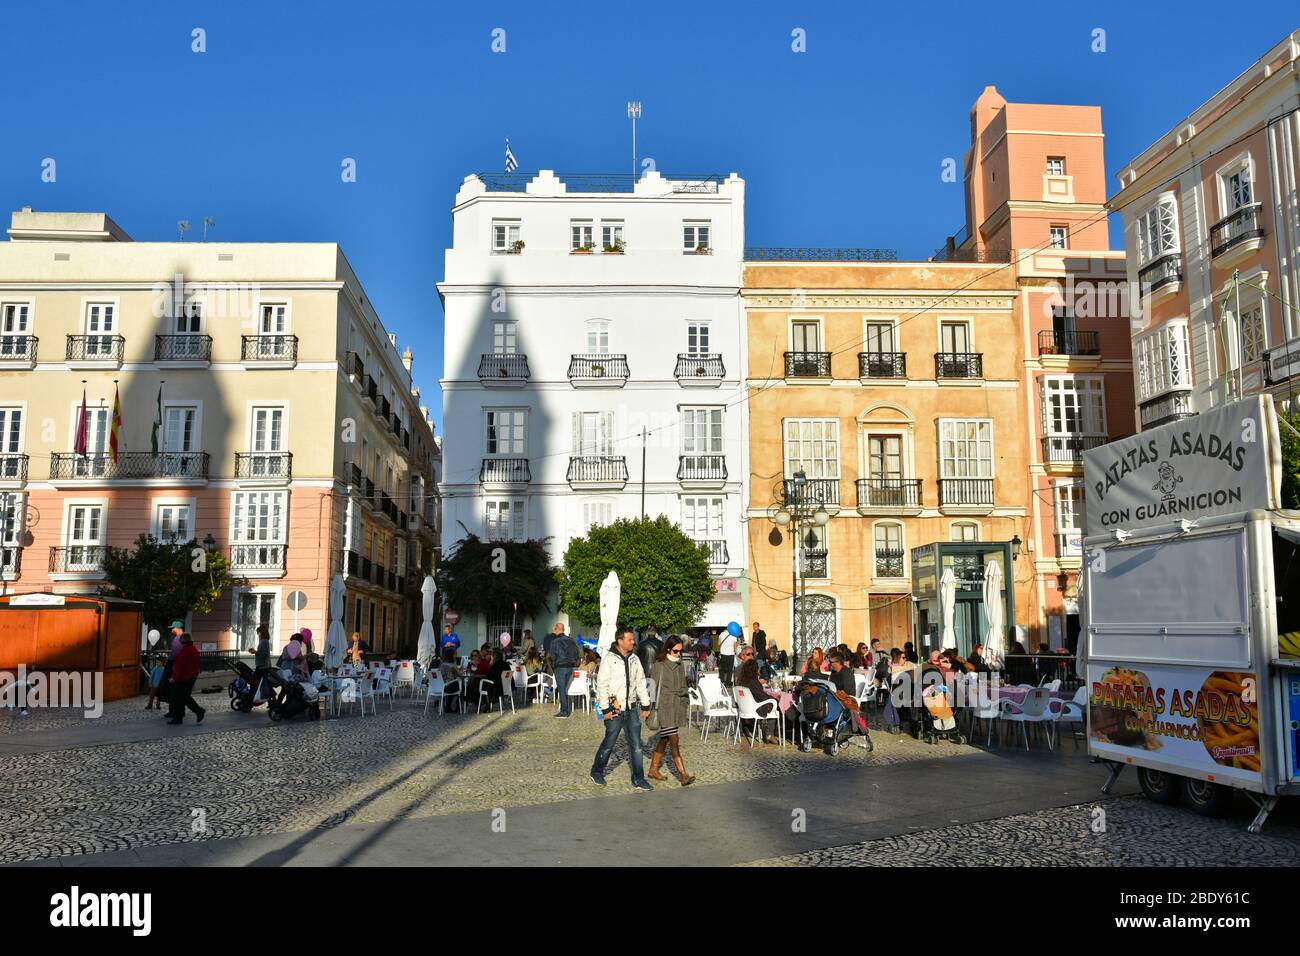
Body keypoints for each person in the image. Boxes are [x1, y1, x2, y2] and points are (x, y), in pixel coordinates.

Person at [590, 627, 653, 790]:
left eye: (633, 639)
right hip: (614, 707)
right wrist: (605, 709)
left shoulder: (634, 659)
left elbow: (640, 682)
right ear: (620, 641)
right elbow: (602, 685)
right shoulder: (609, 659)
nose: (633, 642)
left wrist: (646, 704)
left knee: (637, 745)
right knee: (609, 742)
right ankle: (597, 771)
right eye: (630, 639)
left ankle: (638, 779)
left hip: (631, 707)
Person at [647, 635, 695, 785]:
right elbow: (652, 688)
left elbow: (683, 685)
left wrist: (685, 700)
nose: (679, 654)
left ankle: (653, 769)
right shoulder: (659, 665)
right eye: (676, 651)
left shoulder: (680, 664)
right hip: (664, 707)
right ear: (668, 649)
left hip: (677, 706)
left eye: (681, 651)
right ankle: (683, 774)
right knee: (674, 739)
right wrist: (648, 707)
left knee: (665, 738)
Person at [735, 644, 780, 744]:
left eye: (752, 654)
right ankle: (770, 734)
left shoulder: (747, 674)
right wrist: (773, 699)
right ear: (742, 656)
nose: (751, 656)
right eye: (748, 654)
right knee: (774, 704)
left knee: (771, 702)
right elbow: (758, 692)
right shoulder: (740, 670)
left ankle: (769, 733)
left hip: (747, 702)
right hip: (751, 704)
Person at [166, 633, 206, 725]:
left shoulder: (184, 651)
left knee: (179, 698)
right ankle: (197, 711)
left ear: (182, 640)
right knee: (184, 697)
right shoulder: (193, 649)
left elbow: (180, 667)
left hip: (184, 677)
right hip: (191, 676)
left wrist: (174, 677)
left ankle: (180, 717)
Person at [549, 622, 580, 717]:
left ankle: (564, 711)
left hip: (560, 667)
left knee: (562, 689)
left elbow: (552, 655)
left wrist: (554, 665)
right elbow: (576, 653)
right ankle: (565, 708)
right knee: (564, 688)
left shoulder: (554, 641)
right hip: (570, 667)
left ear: (557, 629)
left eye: (555, 629)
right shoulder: (571, 640)